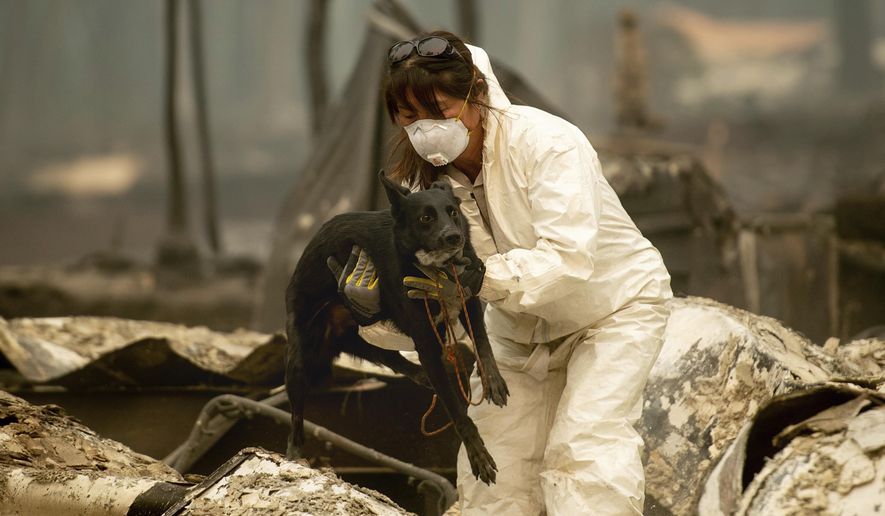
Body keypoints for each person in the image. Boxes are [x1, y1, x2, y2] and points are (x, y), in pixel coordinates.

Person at [330, 31, 672, 515]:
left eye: (439, 111)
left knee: (585, 453)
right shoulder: (418, 187)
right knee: (495, 476)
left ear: (477, 95)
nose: (425, 129)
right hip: (517, 329)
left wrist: (478, 278)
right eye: (409, 117)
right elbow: (432, 314)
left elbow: (569, 257)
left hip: (612, 311)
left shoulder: (548, 143)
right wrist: (377, 314)